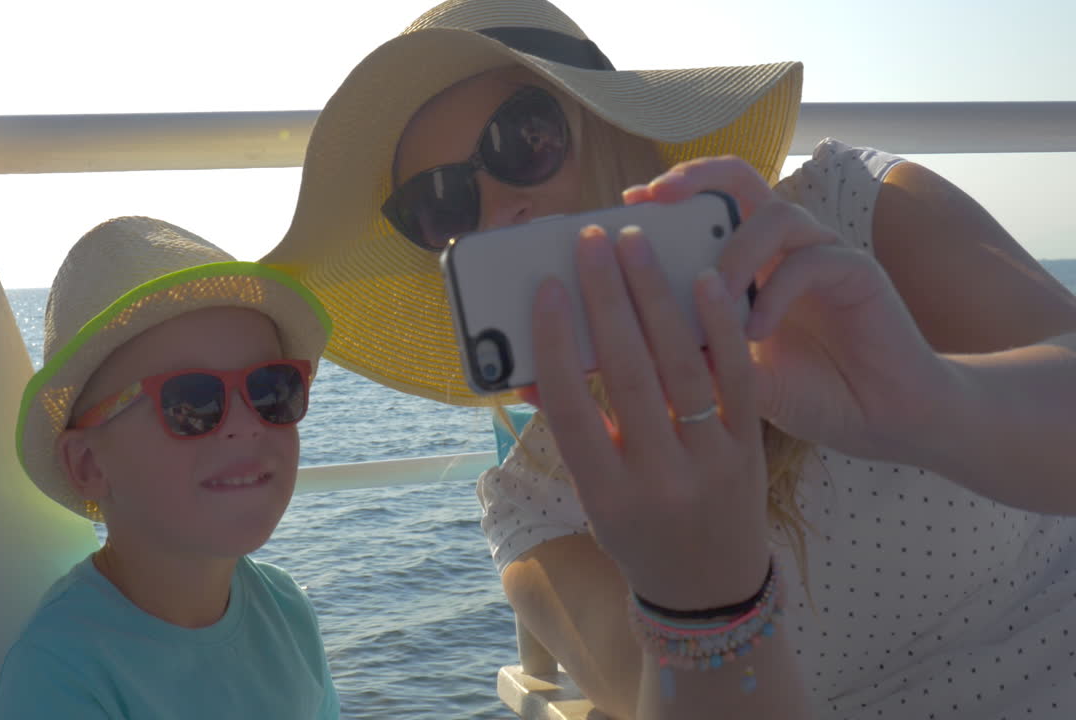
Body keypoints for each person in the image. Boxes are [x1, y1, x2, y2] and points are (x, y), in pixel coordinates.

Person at [262, 0, 1076, 718]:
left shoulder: (846, 219)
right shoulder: (542, 502)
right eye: (440, 203)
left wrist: (930, 404)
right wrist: (702, 601)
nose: (499, 208)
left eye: (523, 139)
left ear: (614, 126)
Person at [0, 216, 339, 719]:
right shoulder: (61, 673)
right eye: (190, 401)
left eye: (271, 389)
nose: (245, 424)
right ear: (89, 462)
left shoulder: (286, 608)